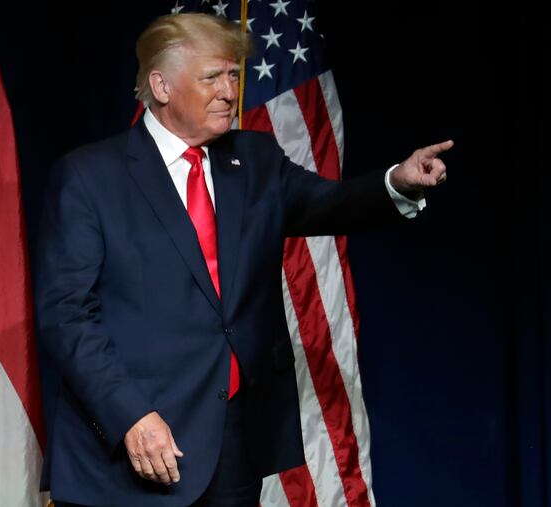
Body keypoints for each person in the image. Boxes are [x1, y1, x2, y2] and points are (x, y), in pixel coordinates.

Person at [35, 12, 452, 507]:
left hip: (233, 443)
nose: (229, 92)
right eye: (211, 77)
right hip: (136, 441)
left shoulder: (255, 160)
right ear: (161, 86)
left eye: (234, 75)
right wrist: (130, 416)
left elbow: (329, 203)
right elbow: (66, 315)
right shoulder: (89, 177)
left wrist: (397, 183)